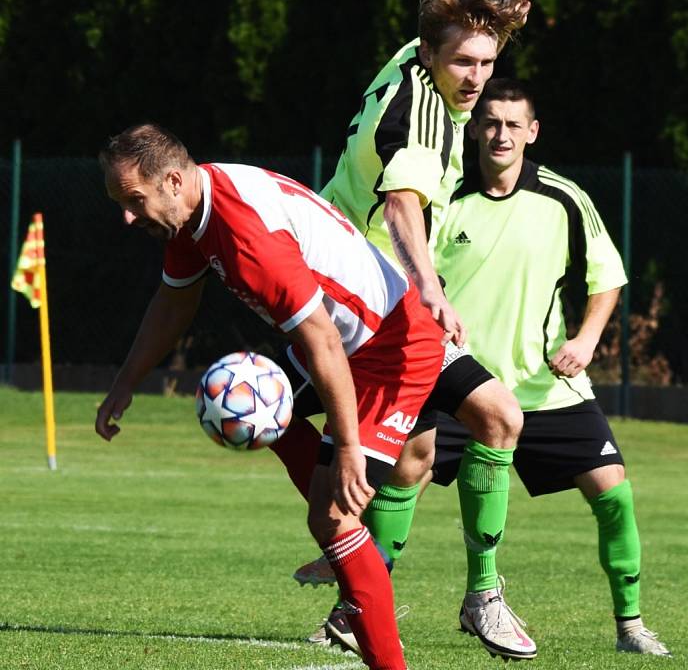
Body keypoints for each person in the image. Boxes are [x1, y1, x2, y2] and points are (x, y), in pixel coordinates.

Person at [95, 123, 448, 670]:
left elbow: (324, 341)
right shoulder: (193, 211)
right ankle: (346, 518)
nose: (126, 216)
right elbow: (174, 303)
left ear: (169, 180)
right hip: (344, 343)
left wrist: (350, 447)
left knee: (331, 517)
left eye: (133, 200)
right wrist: (126, 381)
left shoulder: (244, 237)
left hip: (390, 347)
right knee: (264, 412)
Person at [292, 0, 542, 661]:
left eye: (487, 64)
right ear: (434, 54)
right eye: (465, 63)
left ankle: (354, 603)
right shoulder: (425, 117)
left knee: (412, 460)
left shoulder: (408, 60)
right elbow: (403, 203)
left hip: (341, 279)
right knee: (498, 417)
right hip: (372, 291)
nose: (478, 80)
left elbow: (456, 34)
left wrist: (499, 23)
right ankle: (481, 598)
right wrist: (429, 288)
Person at [421, 78, 669, 656]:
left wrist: (585, 339)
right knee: (404, 474)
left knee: (614, 492)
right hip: (458, 381)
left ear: (532, 132)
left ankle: (630, 626)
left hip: (544, 387)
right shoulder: (441, 196)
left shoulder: (564, 199)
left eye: (514, 124)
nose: (501, 133)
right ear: (476, 128)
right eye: (491, 121)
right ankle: (351, 613)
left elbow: (606, 280)